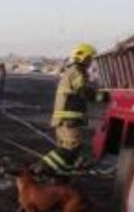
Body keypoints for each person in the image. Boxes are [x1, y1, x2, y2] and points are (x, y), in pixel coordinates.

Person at [37, 43, 96, 176]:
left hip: (64, 119)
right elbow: (84, 92)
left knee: (65, 149)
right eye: (89, 58)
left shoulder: (71, 70)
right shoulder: (77, 71)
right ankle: (40, 168)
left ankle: (61, 176)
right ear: (82, 57)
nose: (90, 62)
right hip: (69, 119)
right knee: (71, 148)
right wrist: (104, 96)